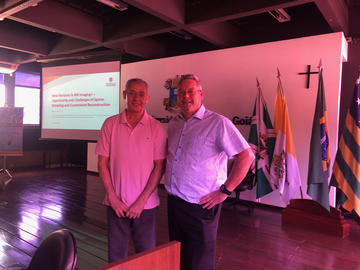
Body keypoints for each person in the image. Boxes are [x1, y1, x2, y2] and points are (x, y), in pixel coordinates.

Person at [165, 74, 254, 270]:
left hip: (202, 205)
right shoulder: (173, 124)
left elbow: (246, 156)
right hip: (174, 202)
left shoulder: (218, 123)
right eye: (182, 93)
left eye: (191, 91)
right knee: (178, 257)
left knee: (200, 262)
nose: (186, 96)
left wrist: (225, 191)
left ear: (201, 94)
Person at [96, 78, 166, 262]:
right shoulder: (110, 124)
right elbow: (102, 163)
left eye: (141, 94)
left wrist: (141, 201)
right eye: (132, 93)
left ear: (148, 98)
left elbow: (159, 167)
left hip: (146, 206)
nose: (137, 98)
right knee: (116, 257)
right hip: (116, 204)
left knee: (146, 256)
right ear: (124, 95)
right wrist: (112, 197)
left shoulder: (156, 127)